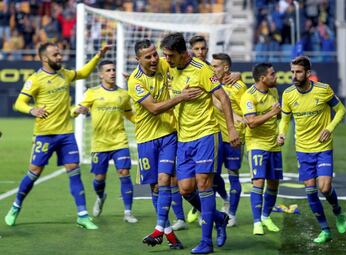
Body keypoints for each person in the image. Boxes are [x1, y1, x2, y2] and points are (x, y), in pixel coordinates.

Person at [5, 42, 111, 230]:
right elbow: (19, 103)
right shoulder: (35, 79)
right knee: (34, 173)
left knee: (74, 171)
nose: (60, 57)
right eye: (55, 55)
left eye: (60, 54)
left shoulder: (64, 73)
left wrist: (98, 56)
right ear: (44, 58)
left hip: (66, 135)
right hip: (44, 135)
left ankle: (82, 215)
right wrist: (32, 110)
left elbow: (83, 73)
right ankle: (15, 206)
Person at [161, 33, 240, 254]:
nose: (166, 59)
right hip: (184, 139)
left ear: (183, 54)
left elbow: (223, 97)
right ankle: (219, 218)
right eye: (165, 55)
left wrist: (232, 128)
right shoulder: (169, 67)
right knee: (186, 189)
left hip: (206, 134)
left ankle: (206, 242)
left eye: (170, 55)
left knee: (204, 185)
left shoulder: (202, 70)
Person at [127, 39, 202, 249]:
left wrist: (228, 74)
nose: (154, 59)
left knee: (165, 180)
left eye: (154, 54)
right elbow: (153, 109)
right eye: (148, 57)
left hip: (169, 133)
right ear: (138, 59)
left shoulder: (163, 62)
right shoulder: (135, 81)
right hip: (146, 139)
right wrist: (181, 98)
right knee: (155, 185)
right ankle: (168, 233)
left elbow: (188, 61)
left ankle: (160, 227)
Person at [277, 56, 346, 244]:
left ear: (308, 73)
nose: (294, 75)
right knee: (310, 192)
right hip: (302, 149)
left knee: (324, 187)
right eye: (292, 71)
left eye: (298, 72)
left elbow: (341, 110)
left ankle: (338, 210)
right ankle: (325, 230)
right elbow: (284, 120)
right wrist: (282, 134)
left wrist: (329, 128)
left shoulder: (323, 90)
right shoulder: (288, 95)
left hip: (323, 147)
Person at [71, 60, 137, 224]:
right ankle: (100, 197)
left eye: (114, 69)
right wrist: (78, 110)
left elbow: (129, 114)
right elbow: (75, 110)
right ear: (101, 74)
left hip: (119, 141)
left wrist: (142, 122)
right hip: (99, 143)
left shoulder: (123, 94)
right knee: (99, 178)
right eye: (108, 70)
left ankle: (128, 212)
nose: (112, 73)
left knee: (124, 173)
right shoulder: (92, 92)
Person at [187, 35, 241, 224]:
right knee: (206, 175)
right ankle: (200, 207)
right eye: (197, 49)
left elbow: (220, 95)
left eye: (203, 49)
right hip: (202, 133)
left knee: (225, 175)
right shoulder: (184, 69)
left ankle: (227, 209)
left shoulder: (211, 69)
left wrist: (238, 74)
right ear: (190, 50)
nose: (201, 52)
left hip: (220, 133)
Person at [240, 63, 282, 235]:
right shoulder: (248, 97)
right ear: (262, 78)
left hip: (274, 144)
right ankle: (257, 222)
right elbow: (251, 123)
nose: (276, 77)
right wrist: (272, 113)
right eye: (272, 74)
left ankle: (266, 216)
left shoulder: (273, 91)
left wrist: (279, 114)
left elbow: (278, 114)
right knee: (258, 181)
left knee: (273, 183)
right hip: (256, 143)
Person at [211, 53, 247, 227]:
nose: (212, 69)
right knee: (213, 176)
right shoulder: (211, 84)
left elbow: (246, 115)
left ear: (226, 68)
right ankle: (225, 199)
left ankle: (232, 214)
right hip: (215, 138)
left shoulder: (239, 86)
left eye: (216, 66)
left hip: (234, 138)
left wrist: (238, 124)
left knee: (233, 176)